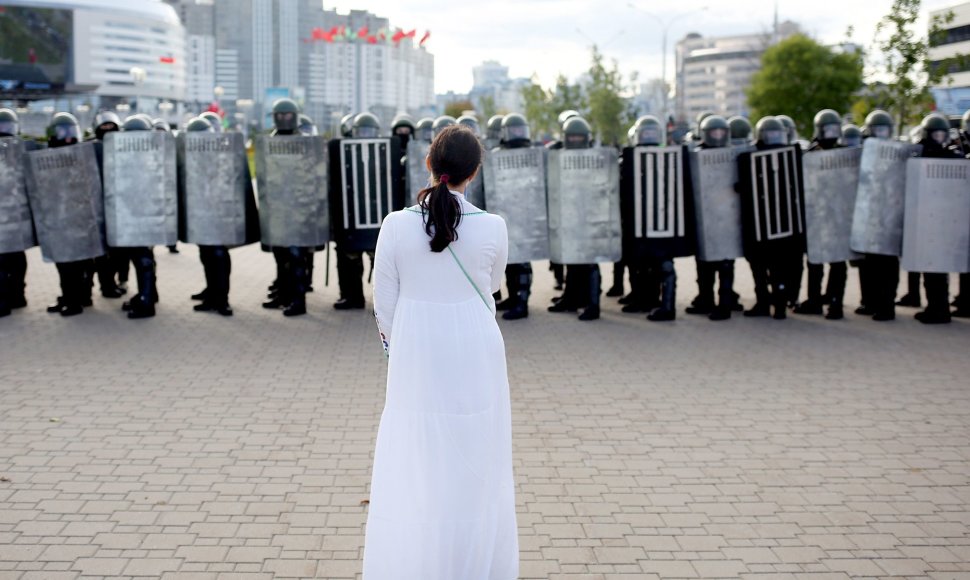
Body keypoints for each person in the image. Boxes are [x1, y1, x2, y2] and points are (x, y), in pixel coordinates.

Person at [365, 124, 517, 578]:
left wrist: (400, 348)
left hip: (417, 351)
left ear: (429, 164)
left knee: (418, 457)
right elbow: (491, 286)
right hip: (477, 347)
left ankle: (419, 560)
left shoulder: (396, 224)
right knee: (477, 456)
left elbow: (384, 299)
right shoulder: (492, 226)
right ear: (474, 172)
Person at [547, 116, 603, 321]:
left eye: (580, 136)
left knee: (590, 261)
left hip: (589, 215)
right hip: (568, 213)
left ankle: (593, 304)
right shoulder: (560, 156)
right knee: (571, 258)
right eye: (573, 136)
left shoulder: (596, 158)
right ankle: (571, 298)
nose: (576, 140)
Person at [794, 109, 848, 320]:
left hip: (838, 215)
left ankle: (836, 304)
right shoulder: (810, 155)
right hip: (817, 214)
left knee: (837, 262)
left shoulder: (845, 154)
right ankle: (815, 301)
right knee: (815, 261)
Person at [912, 113, 964, 324]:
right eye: (936, 134)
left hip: (944, 219)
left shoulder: (953, 155)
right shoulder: (919, 155)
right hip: (925, 217)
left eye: (942, 134)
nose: (939, 138)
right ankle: (935, 307)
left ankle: (939, 309)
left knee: (938, 268)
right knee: (930, 267)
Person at [687, 115, 740, 320]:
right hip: (704, 219)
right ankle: (705, 299)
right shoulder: (696, 154)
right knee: (704, 265)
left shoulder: (735, 154)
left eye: (721, 132)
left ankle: (725, 304)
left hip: (728, 218)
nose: (717, 136)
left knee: (726, 265)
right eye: (713, 132)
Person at [262, 98, 312, 316]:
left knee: (295, 256)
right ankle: (283, 295)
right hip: (278, 210)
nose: (283, 119)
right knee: (280, 256)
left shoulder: (304, 142)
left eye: (287, 115)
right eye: (279, 116)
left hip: (298, 210)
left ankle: (298, 301)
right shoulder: (269, 142)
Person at [493, 113, 536, 320]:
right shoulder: (497, 154)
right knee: (509, 261)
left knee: (522, 263)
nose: (518, 134)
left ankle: (522, 302)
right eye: (514, 130)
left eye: (520, 130)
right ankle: (513, 297)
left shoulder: (533, 154)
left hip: (526, 215)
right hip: (506, 212)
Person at [0, 108, 33, 318]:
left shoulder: (22, 149)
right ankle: (8, 298)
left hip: (16, 213)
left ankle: (15, 296)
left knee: (15, 259)